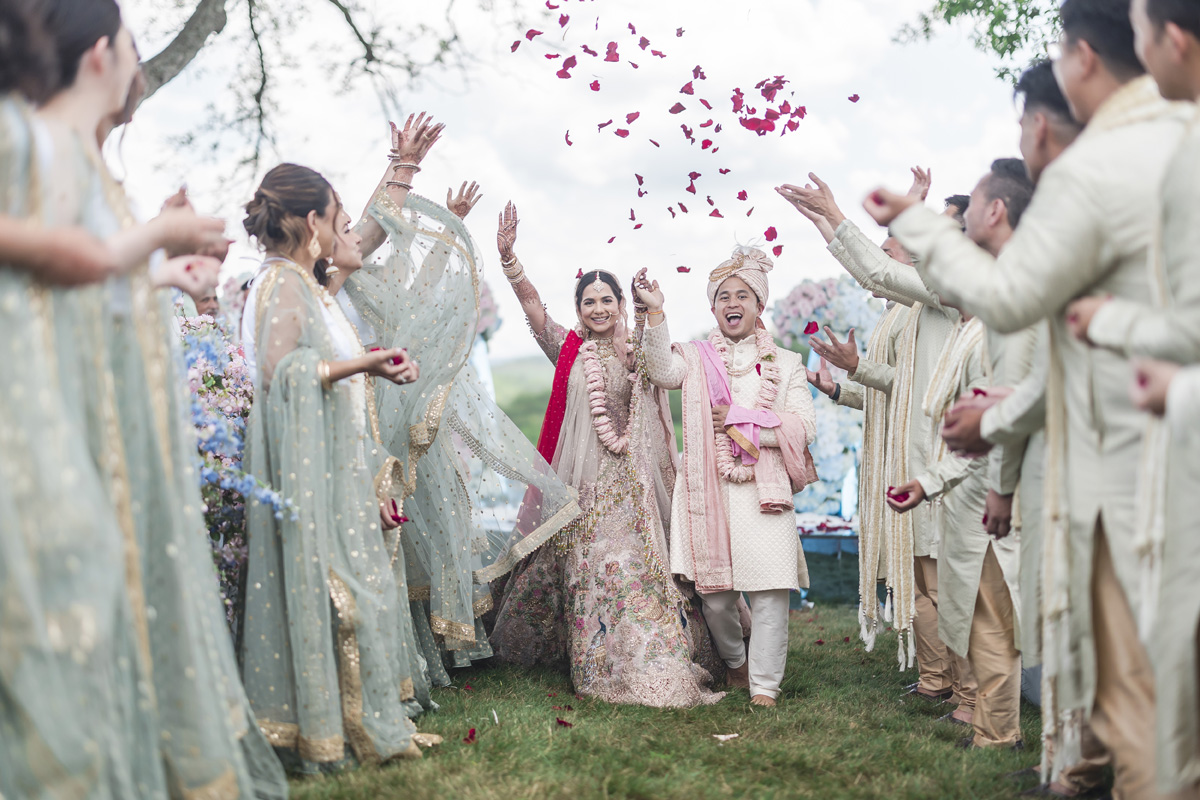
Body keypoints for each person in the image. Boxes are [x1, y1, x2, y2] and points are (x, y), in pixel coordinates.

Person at [863, 0, 1191, 794]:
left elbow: (1011, 303)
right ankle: (1075, 772)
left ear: (1083, 59)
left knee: (1135, 689)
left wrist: (920, 224)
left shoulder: (1110, 159)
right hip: (1146, 451)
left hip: (1118, 473)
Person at [34, 2, 291, 797]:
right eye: (136, 48)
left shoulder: (90, 160)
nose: (140, 68)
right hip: (68, 424)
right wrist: (146, 245)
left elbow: (85, 284)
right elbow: (39, 291)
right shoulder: (41, 153)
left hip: (124, 423)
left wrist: (153, 273)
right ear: (101, 53)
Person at [490, 203, 725, 708]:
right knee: (587, 570)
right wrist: (511, 262)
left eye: (606, 300)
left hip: (636, 487)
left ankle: (654, 661)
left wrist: (652, 309)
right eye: (588, 302)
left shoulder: (638, 349)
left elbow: (666, 372)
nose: (597, 309)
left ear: (621, 303)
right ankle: (592, 658)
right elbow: (533, 310)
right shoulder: (569, 350)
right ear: (579, 311)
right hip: (586, 489)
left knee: (640, 572)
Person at [239, 162, 432, 771]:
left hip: (334, 461)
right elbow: (281, 372)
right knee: (340, 594)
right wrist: (366, 366)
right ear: (311, 220)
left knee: (359, 593)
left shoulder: (306, 287)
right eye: (333, 216)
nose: (337, 230)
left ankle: (362, 723)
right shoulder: (282, 284)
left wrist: (369, 363)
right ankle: (329, 731)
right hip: (306, 471)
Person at [777, 171, 979, 727]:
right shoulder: (918, 308)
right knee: (923, 580)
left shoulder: (950, 291)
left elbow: (877, 270)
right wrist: (848, 378)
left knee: (943, 582)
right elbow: (899, 383)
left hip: (942, 460)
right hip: (912, 456)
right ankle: (941, 682)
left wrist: (831, 215)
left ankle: (969, 696)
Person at [634, 248, 819, 707]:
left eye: (742, 296)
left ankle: (765, 688)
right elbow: (659, 369)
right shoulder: (697, 358)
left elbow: (804, 426)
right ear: (713, 308)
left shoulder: (789, 364)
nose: (732, 303)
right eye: (723, 297)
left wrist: (741, 421)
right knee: (715, 598)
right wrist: (656, 313)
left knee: (770, 595)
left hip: (764, 494)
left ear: (759, 306)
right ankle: (737, 664)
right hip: (708, 488)